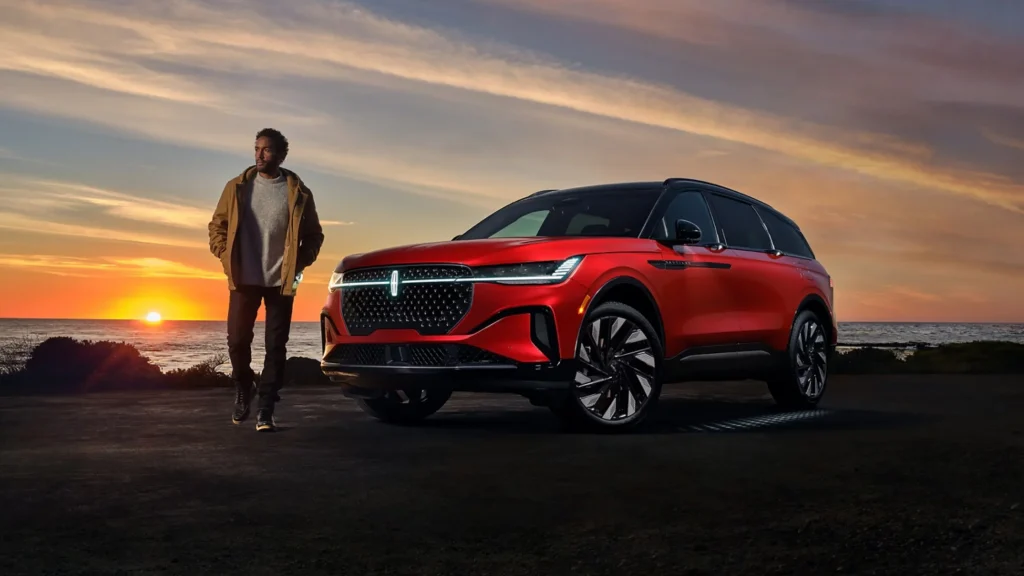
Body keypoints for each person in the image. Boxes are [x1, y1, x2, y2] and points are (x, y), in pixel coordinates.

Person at [208, 128, 324, 432]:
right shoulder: (237, 187)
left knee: (275, 346)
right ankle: (243, 386)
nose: (259, 155)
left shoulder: (298, 192)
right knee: (237, 341)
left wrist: (298, 263)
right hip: (243, 277)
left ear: (281, 156)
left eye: (267, 149)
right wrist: (224, 255)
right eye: (257, 148)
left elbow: (314, 235)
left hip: (281, 281)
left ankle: (266, 409)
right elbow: (217, 226)